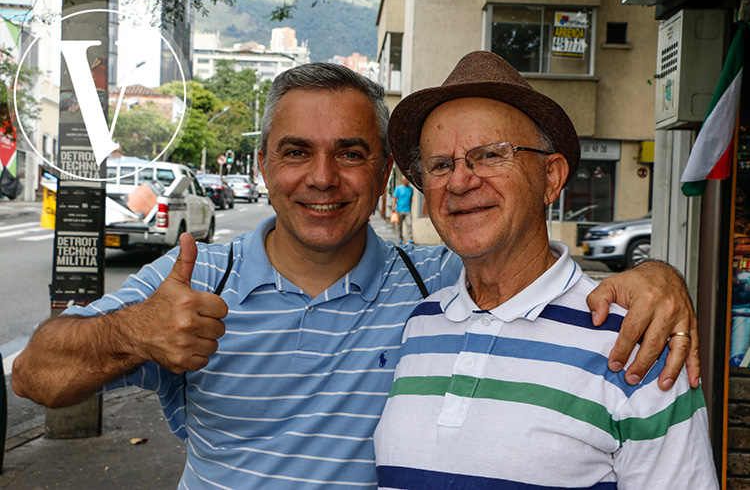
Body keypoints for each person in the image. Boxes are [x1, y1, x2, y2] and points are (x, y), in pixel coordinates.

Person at [13, 62, 698, 490]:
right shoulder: (195, 283)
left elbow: (522, 268)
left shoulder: (434, 286)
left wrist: (658, 275)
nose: (320, 177)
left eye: (349, 152)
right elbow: (35, 376)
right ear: (262, 169)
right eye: (295, 152)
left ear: (381, 177)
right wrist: (133, 334)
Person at [374, 51, 717, 489]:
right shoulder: (421, 322)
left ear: (551, 178)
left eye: (491, 155)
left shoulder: (637, 340)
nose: (459, 182)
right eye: (441, 165)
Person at [392, 175, 413, 243]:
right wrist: (393, 207)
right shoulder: (398, 188)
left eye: (408, 180)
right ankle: (400, 239)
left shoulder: (411, 189)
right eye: (406, 179)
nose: (408, 181)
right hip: (399, 210)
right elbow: (395, 198)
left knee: (409, 224)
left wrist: (410, 206)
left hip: (408, 210)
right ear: (402, 180)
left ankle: (409, 239)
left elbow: (411, 199)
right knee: (399, 226)